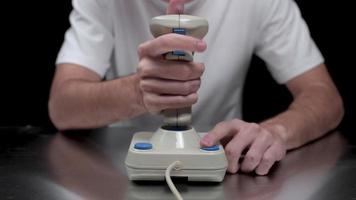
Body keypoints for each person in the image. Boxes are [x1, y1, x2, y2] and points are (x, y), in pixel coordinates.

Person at [49, 0, 344, 175]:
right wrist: (135, 93)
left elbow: (324, 96)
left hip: (227, 171)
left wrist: (276, 131)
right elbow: (62, 106)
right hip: (119, 172)